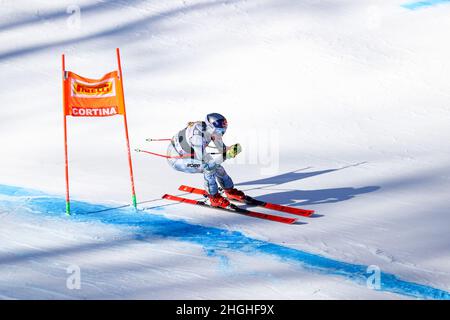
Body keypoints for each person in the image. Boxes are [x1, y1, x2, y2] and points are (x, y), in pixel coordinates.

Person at [167, 113, 244, 208]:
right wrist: (226, 155)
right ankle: (213, 198)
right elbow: (205, 162)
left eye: (223, 130)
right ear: (211, 127)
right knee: (208, 168)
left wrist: (232, 149)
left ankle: (229, 191)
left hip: (191, 155)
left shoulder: (212, 131)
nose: (221, 133)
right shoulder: (197, 137)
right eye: (219, 130)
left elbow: (222, 149)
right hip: (177, 160)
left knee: (218, 168)